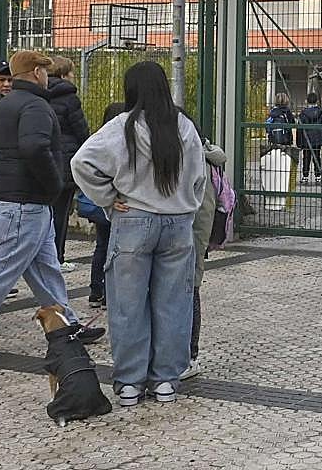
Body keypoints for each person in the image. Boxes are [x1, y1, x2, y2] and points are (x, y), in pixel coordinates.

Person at [0, 50, 103, 362]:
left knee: (45, 268)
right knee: (2, 268)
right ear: (35, 72)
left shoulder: (6, 105)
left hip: (18, 200)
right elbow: (34, 147)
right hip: (26, 202)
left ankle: (67, 324)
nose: (47, 75)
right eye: (44, 69)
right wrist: (53, 182)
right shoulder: (35, 105)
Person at [72, 61, 207, 407]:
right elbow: (199, 177)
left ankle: (130, 384)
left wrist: (108, 198)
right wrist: (185, 206)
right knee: (173, 304)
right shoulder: (184, 127)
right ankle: (165, 382)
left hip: (134, 220)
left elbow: (81, 163)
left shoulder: (122, 126)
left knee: (128, 305)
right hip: (177, 224)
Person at [183, 136, 224, 381]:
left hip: (191, 237)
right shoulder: (204, 157)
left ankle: (189, 354)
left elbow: (203, 210)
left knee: (190, 292)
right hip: (192, 236)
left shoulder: (198, 161)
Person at [77, 101, 125, 309]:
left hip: (100, 207)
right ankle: (108, 293)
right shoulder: (120, 144)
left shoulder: (97, 142)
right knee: (115, 250)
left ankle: (96, 290)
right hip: (116, 206)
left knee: (101, 246)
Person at [46, 56, 90, 268]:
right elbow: (82, 131)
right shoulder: (69, 98)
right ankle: (57, 257)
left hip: (43, 160)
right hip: (65, 161)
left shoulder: (37, 95)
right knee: (60, 214)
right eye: (71, 72)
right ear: (63, 75)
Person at [296, 92, 322, 184]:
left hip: (306, 139)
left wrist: (299, 142)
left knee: (306, 158)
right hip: (317, 139)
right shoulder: (321, 112)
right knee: (317, 157)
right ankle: (318, 176)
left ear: (307, 101)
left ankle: (305, 176)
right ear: (317, 101)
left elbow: (299, 128)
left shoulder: (303, 113)